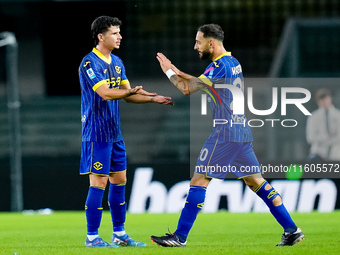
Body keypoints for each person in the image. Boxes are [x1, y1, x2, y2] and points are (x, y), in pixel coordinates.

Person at [151, 24, 304, 247]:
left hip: (225, 133)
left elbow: (187, 88)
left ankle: (179, 237)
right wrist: (177, 69)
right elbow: (201, 82)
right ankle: (292, 230)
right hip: (241, 131)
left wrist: (168, 70)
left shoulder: (219, 65)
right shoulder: (233, 63)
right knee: (257, 183)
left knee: (199, 181)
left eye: (198, 42)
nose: (196, 46)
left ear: (211, 43)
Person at [79, 16, 173, 248]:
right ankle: (92, 237)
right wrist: (130, 93)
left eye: (119, 32)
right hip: (97, 132)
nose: (120, 36)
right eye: (114, 33)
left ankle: (119, 234)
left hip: (114, 132)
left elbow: (128, 94)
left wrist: (153, 98)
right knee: (98, 183)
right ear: (101, 37)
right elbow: (106, 93)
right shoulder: (90, 63)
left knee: (120, 180)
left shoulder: (118, 62)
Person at [306, 88, 340, 161]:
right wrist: (328, 137)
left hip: (336, 155)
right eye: (321, 100)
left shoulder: (338, 115)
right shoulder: (313, 117)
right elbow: (311, 137)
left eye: (325, 99)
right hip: (318, 154)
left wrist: (321, 138)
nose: (324, 102)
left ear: (330, 99)